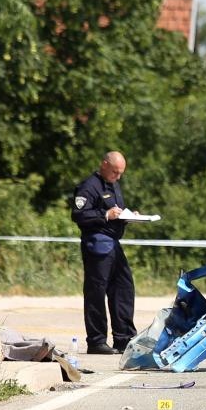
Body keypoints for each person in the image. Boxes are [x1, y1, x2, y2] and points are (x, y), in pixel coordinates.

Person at [71, 151, 137, 354]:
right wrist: (105, 214)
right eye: (115, 172)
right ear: (104, 165)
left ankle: (124, 339)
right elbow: (79, 214)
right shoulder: (89, 186)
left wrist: (128, 216)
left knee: (124, 289)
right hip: (97, 245)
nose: (118, 177)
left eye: (121, 173)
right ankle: (97, 341)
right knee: (96, 293)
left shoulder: (113, 184)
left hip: (114, 244)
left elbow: (116, 211)